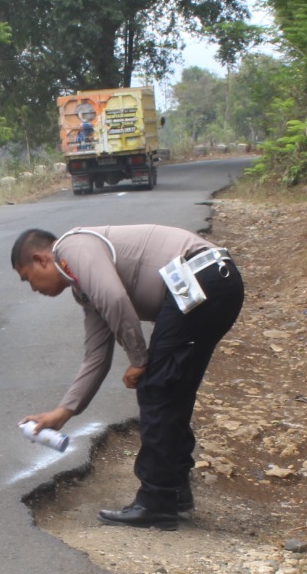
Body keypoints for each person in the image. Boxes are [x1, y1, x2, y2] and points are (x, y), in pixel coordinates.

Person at [13, 224, 245, 530]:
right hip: (210, 282)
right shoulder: (83, 287)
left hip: (201, 278)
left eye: (28, 278)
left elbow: (115, 299)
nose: (34, 289)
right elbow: (97, 355)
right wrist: (63, 412)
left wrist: (138, 359)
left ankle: (156, 502)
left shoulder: (72, 248)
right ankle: (173, 493)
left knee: (156, 387)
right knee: (172, 387)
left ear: (41, 259)